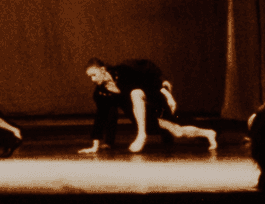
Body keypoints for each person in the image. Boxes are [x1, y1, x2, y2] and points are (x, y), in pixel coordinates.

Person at [78, 58, 216, 154]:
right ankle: (208, 133)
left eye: (94, 75)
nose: (92, 79)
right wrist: (94, 146)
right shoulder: (100, 93)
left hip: (153, 100)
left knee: (135, 93)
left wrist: (168, 96)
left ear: (103, 70)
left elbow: (149, 83)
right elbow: (100, 118)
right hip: (142, 115)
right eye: (90, 77)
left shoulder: (123, 71)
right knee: (177, 132)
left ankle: (141, 135)